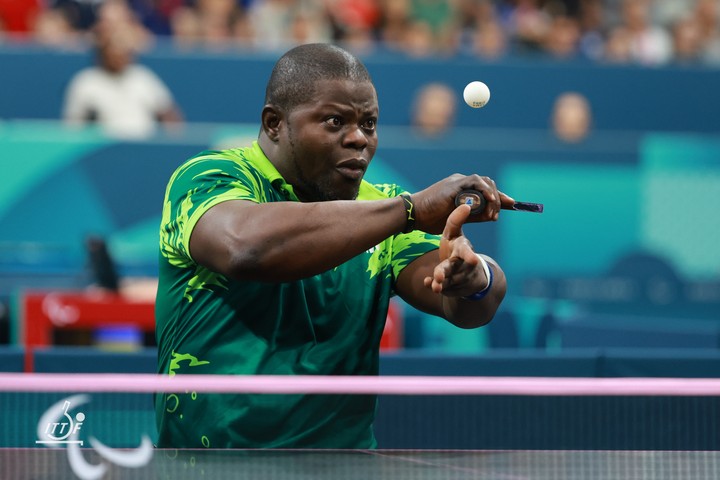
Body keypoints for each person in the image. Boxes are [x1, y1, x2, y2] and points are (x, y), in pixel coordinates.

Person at [155, 43, 514, 450]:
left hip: (343, 467)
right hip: (209, 467)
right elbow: (243, 247)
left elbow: (468, 309)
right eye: (334, 121)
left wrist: (473, 276)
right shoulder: (209, 178)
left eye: (370, 123)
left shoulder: (384, 209)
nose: (359, 139)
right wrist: (410, 209)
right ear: (275, 123)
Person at [62, 27, 183, 139]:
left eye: (123, 50)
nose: (119, 55)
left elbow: (168, 114)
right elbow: (74, 125)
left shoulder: (142, 76)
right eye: (113, 49)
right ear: (102, 52)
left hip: (144, 145)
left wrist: (171, 138)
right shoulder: (86, 82)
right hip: (103, 148)